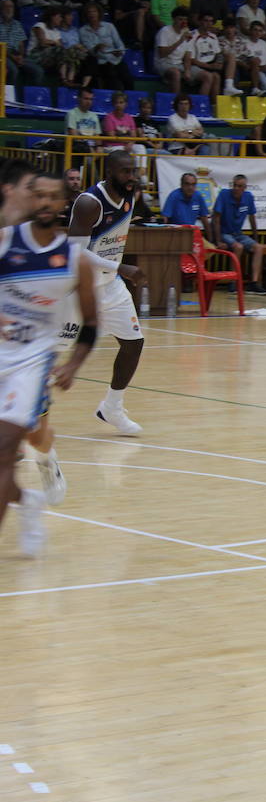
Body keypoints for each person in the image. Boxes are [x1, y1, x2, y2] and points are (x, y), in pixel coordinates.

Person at [0, 171, 100, 556]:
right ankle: (27, 503)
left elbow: (91, 323)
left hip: (31, 360)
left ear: (64, 203)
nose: (44, 203)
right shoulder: (7, 241)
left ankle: (44, 465)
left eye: (51, 197)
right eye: (37, 196)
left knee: (7, 446)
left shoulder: (77, 261)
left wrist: (74, 364)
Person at [66, 149, 149, 437]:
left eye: (133, 170)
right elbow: (74, 252)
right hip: (79, 287)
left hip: (111, 285)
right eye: (125, 171)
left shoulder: (131, 195)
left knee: (133, 343)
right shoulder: (90, 202)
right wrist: (120, 266)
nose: (131, 176)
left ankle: (112, 407)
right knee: (47, 354)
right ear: (108, 172)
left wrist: (115, 270)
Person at [213, 173, 266, 294]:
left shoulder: (248, 197)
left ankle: (254, 283)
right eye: (235, 185)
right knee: (238, 247)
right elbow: (216, 219)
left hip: (238, 233)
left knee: (258, 248)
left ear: (244, 188)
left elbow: (252, 217)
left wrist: (255, 237)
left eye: (240, 186)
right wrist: (218, 240)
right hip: (224, 232)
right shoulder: (224, 195)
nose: (236, 189)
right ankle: (233, 281)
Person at [78, 1, 135, 91]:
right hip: (100, 62)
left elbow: (119, 44)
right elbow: (89, 50)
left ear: (99, 13)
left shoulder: (109, 26)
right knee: (112, 79)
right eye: (89, 12)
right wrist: (96, 48)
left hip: (115, 59)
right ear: (86, 15)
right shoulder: (83, 31)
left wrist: (120, 52)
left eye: (94, 11)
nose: (92, 14)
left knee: (128, 79)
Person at [189, 10, 238, 95]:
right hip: (197, 65)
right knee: (212, 76)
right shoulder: (192, 36)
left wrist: (219, 63)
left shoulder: (213, 36)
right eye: (206, 21)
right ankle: (202, 104)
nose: (208, 23)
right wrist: (209, 66)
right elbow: (191, 59)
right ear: (200, 21)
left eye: (211, 21)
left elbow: (218, 54)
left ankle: (228, 87)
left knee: (230, 57)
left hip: (211, 64)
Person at [0, 0, 43, 87]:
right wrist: (13, 57)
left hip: (16, 55)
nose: (9, 9)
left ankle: (30, 97)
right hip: (3, 54)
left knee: (38, 70)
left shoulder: (17, 24)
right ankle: (9, 97)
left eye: (11, 7)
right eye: (6, 7)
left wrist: (20, 56)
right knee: (13, 70)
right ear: (1, 9)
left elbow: (21, 44)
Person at [64, 88, 101, 168]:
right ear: (78, 98)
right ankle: (96, 180)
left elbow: (97, 137)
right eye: (86, 99)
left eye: (91, 99)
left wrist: (98, 147)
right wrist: (88, 148)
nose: (88, 102)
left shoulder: (94, 116)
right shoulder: (72, 114)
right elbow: (74, 136)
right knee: (88, 161)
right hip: (77, 148)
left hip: (92, 148)